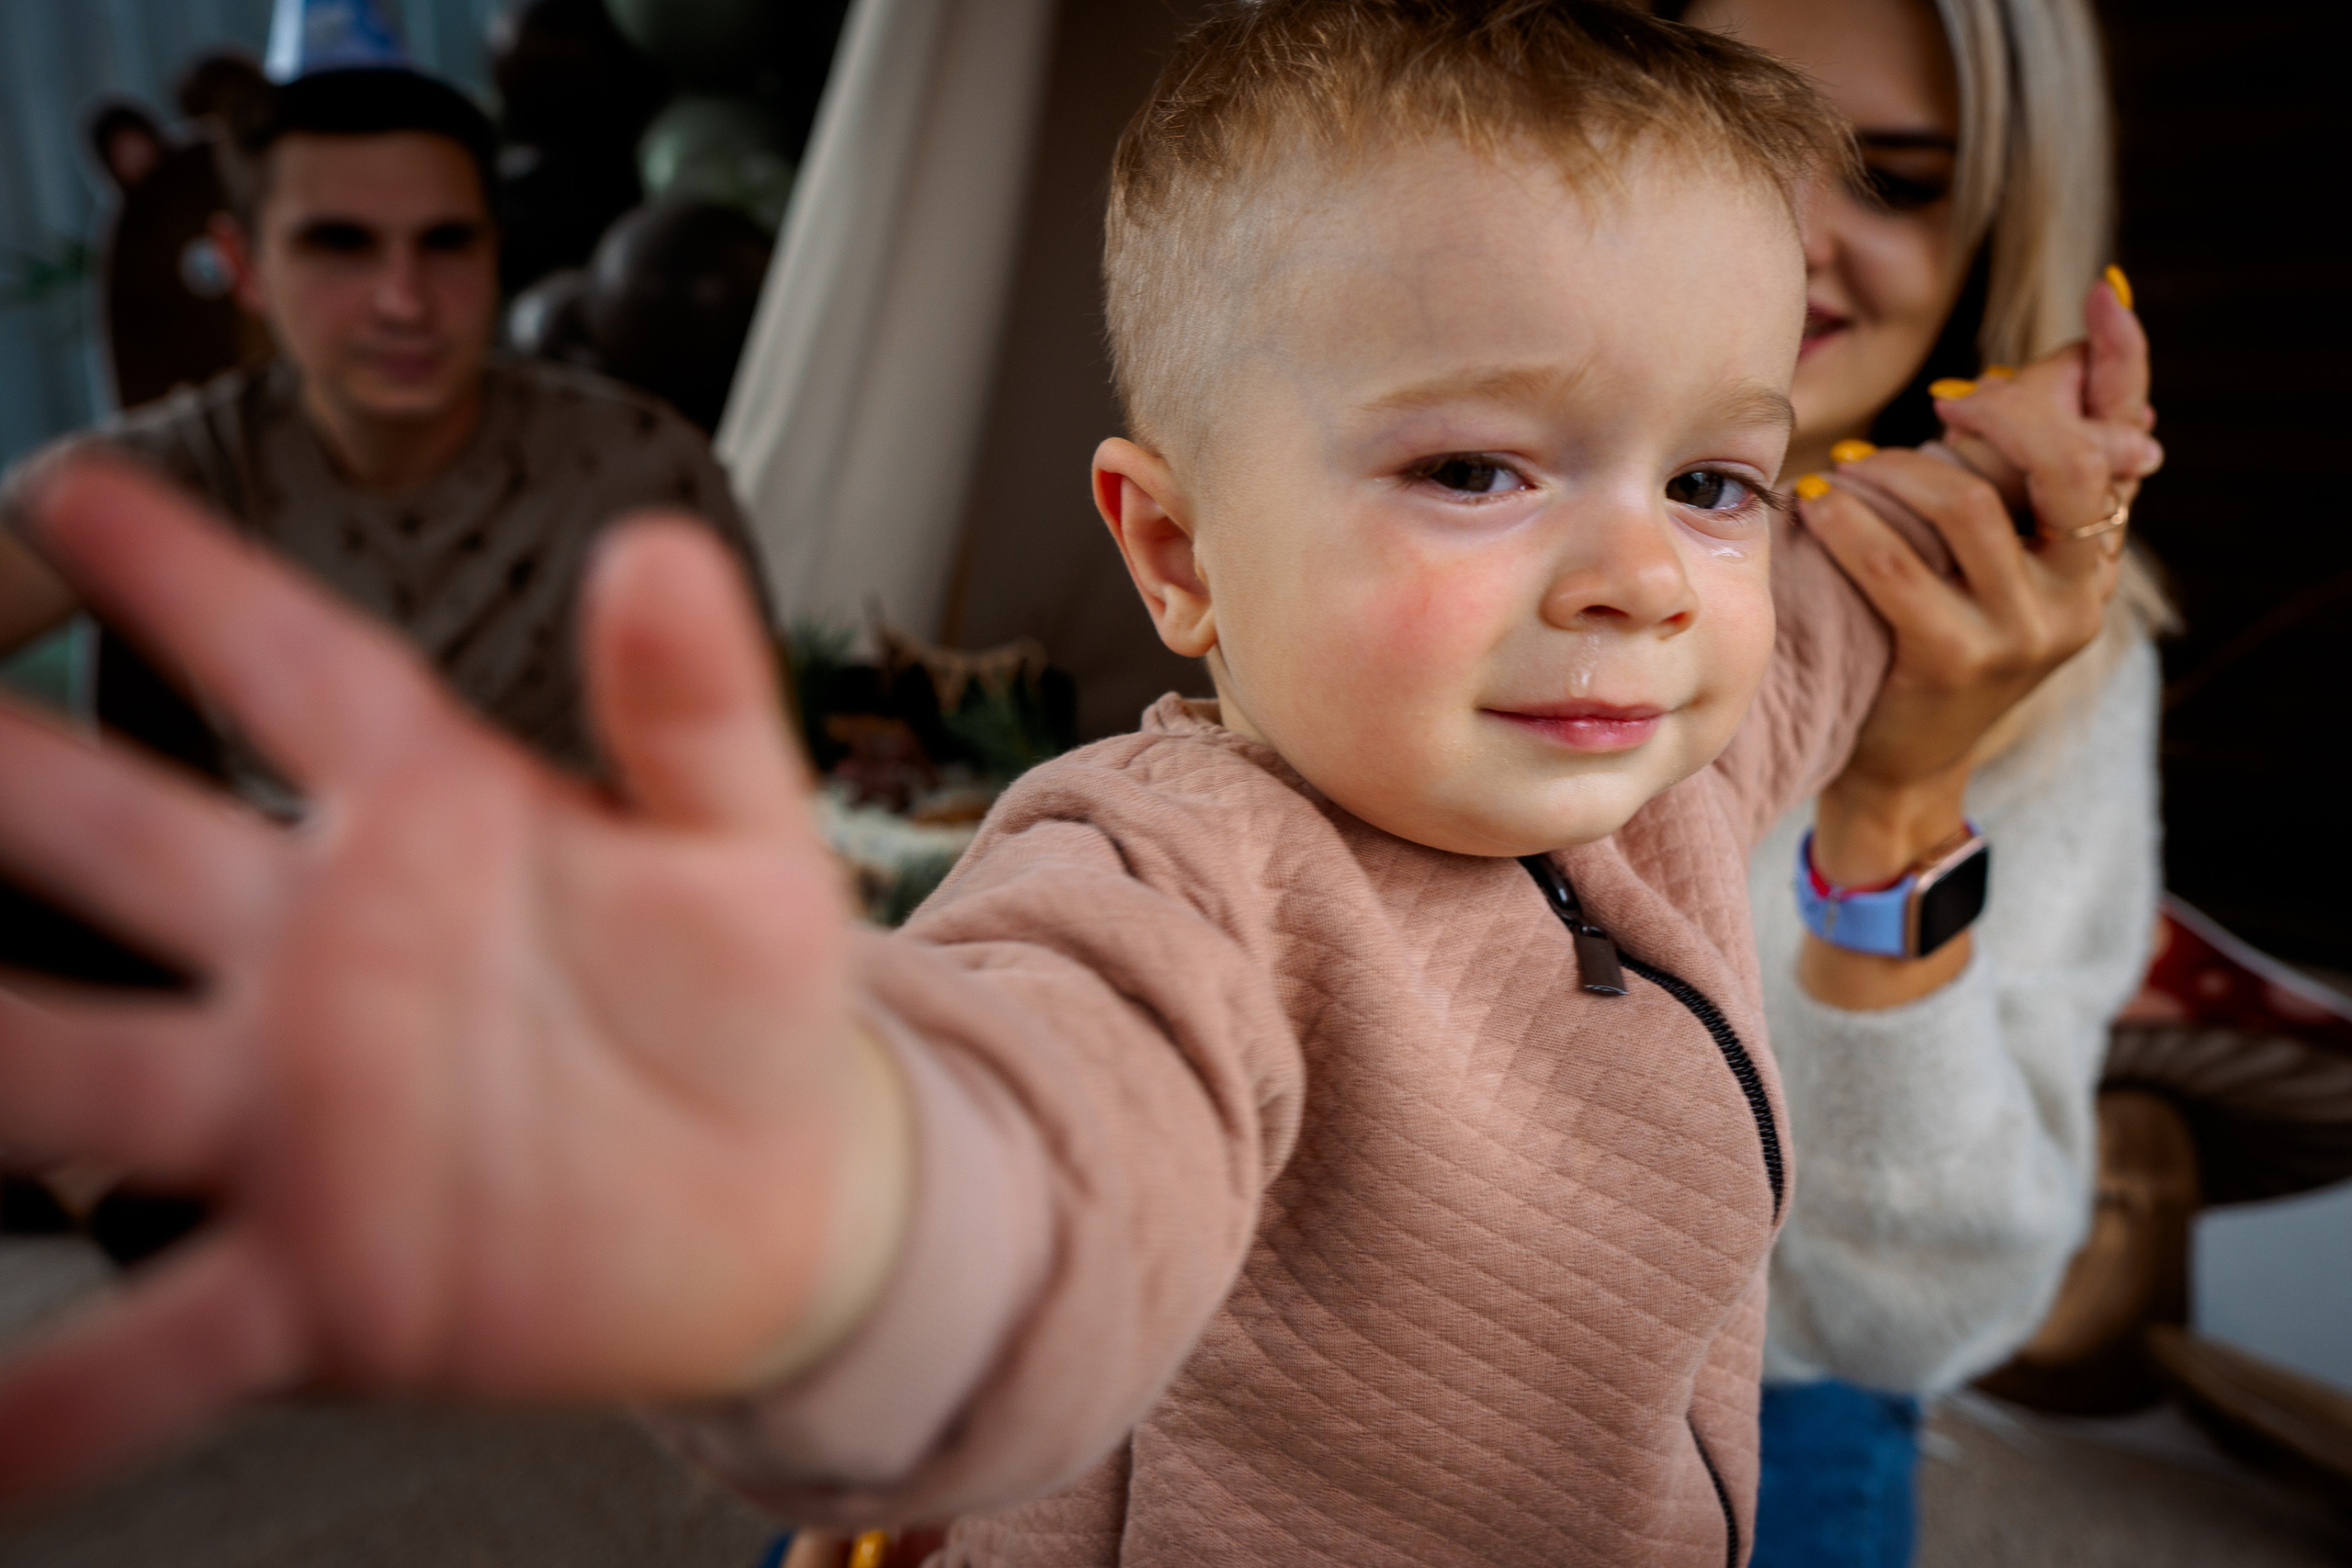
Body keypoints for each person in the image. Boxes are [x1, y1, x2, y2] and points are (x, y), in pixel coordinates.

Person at [0, 4, 2151, 1562]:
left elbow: (1837, 596)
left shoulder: (1690, 738)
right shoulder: (1181, 867)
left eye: (1708, 474)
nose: (1637, 576)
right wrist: (840, 1223)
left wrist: (2026, 463)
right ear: (1177, 549)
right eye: (1475, 468)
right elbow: (1049, 1130)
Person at [1667, 0, 2173, 1562]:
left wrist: (1897, 813)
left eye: (1892, 176)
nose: (1795, 237)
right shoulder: (1412, 524)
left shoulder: (2066, 667)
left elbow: (1916, 1314)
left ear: (1999, 219)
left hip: (1765, 1416)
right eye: (1722, 145)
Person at [0, 64, 768, 794]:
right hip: (288, 907)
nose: (404, 301)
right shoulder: (189, 465)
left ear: (495, 250)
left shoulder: (638, 466)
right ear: (245, 265)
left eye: (446, 242)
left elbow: (752, 788)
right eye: (341, 244)